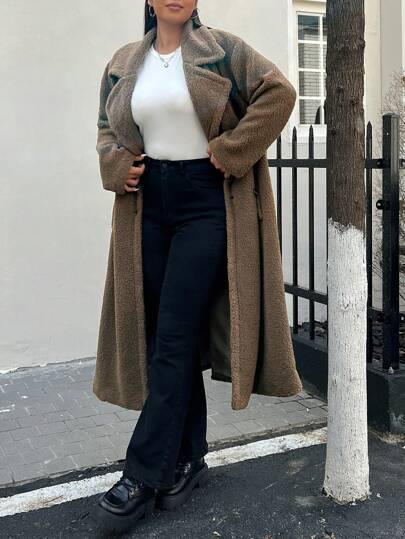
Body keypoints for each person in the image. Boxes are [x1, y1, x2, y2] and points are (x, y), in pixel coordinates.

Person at [93, 0, 302, 534]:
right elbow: (107, 127)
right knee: (166, 337)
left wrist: (232, 148)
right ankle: (189, 458)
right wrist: (116, 165)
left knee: (172, 337)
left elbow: (279, 93)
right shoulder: (124, 61)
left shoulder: (223, 50)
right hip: (147, 205)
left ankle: (141, 473)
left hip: (206, 203)